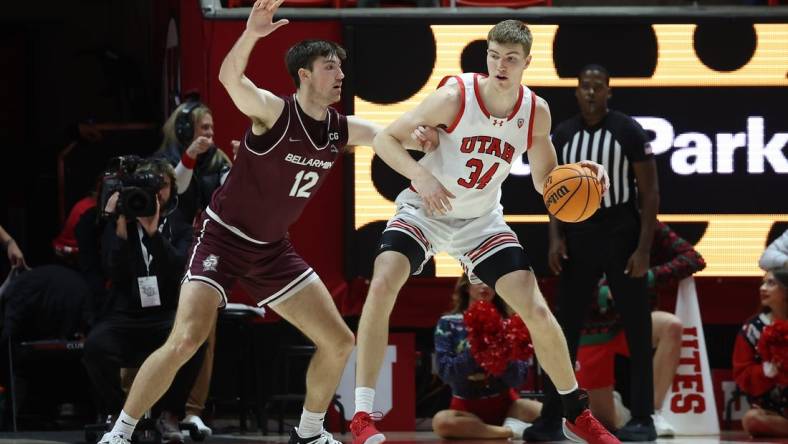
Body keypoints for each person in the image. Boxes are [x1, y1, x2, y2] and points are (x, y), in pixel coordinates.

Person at [97, 2, 432, 444]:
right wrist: (252, 33)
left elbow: (386, 135)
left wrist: (424, 136)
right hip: (222, 238)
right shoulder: (274, 112)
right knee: (186, 340)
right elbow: (229, 79)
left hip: (272, 250)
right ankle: (119, 434)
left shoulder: (338, 128)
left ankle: (309, 432)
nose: (340, 75)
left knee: (339, 341)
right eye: (330, 66)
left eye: (340, 68)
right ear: (305, 75)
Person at [351, 20, 618, 444]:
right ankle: (362, 414)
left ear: (527, 62)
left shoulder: (536, 111)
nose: (500, 65)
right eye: (494, 56)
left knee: (536, 309)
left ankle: (575, 412)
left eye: (511, 58)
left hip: (480, 222)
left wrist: (583, 173)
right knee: (382, 283)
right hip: (426, 210)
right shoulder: (455, 96)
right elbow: (386, 141)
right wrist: (421, 176)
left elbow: (547, 183)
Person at [540, 63, 660, 441]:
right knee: (562, 330)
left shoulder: (627, 130)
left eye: (598, 86)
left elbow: (650, 192)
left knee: (639, 328)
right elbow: (554, 193)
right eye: (585, 86)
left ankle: (643, 419)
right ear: (576, 92)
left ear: (609, 91)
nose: (591, 92)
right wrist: (555, 238)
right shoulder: (563, 134)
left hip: (621, 229)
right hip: (578, 232)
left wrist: (643, 249)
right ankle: (552, 419)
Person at [83, 159, 204, 443]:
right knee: (96, 347)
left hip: (164, 313)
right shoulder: (119, 223)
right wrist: (120, 228)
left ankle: (170, 414)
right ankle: (119, 414)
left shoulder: (180, 227)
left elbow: (179, 270)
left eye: (162, 185)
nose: (155, 193)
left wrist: (153, 234)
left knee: (194, 340)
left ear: (172, 190)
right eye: (147, 186)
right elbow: (112, 271)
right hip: (125, 314)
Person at [575, 221, 705, 437]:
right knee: (605, 424)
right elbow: (567, 282)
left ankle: (651, 413)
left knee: (671, 326)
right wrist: (602, 292)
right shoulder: (581, 223)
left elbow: (693, 258)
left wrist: (647, 278)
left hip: (635, 321)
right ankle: (616, 408)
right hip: (593, 329)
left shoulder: (648, 226)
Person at [432, 274, 541, 439]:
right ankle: (508, 431)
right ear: (466, 287)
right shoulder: (448, 322)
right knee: (441, 422)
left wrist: (499, 353)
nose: (484, 285)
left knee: (551, 413)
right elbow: (446, 372)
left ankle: (492, 431)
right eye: (476, 280)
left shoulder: (509, 323)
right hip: (465, 409)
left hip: (509, 406)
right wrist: (476, 350)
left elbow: (518, 379)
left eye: (489, 280)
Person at [156, 98, 233, 225]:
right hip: (174, 234)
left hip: (207, 234)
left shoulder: (217, 158)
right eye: (205, 127)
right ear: (185, 131)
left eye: (212, 127)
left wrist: (243, 164)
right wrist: (190, 155)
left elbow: (233, 191)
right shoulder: (163, 162)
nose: (211, 132)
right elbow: (177, 188)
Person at [732, 267, 788, 438]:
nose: (762, 288)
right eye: (763, 283)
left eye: (771, 283)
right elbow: (741, 374)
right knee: (752, 420)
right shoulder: (752, 328)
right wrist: (766, 372)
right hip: (773, 411)